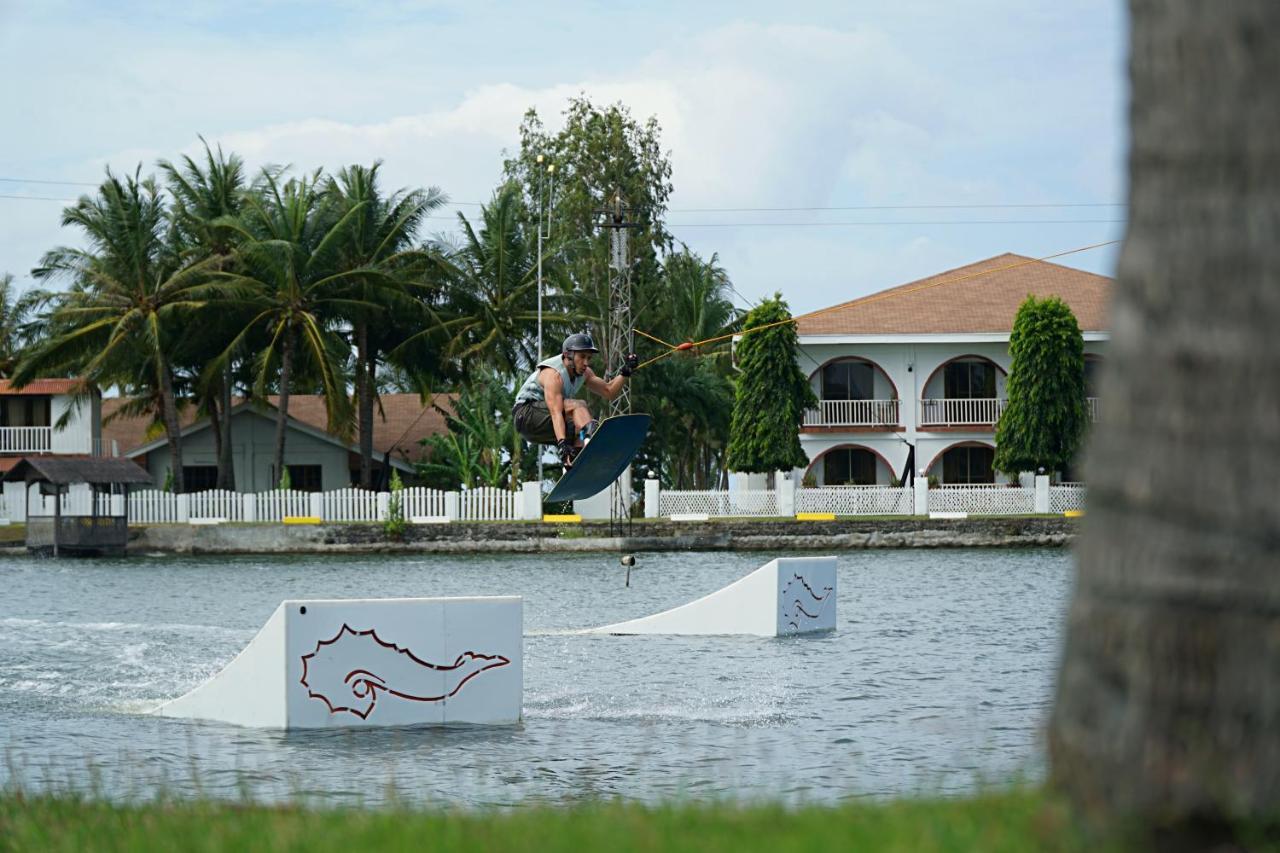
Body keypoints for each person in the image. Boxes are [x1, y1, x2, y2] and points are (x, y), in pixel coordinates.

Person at [513, 332, 639, 469]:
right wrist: (562, 443)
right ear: (568, 355)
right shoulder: (554, 375)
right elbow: (556, 413)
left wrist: (625, 372)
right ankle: (591, 442)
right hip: (526, 415)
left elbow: (609, 391)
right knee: (579, 405)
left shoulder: (585, 373)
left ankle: (576, 461)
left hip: (541, 424)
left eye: (589, 358)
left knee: (578, 428)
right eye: (582, 357)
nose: (586, 363)